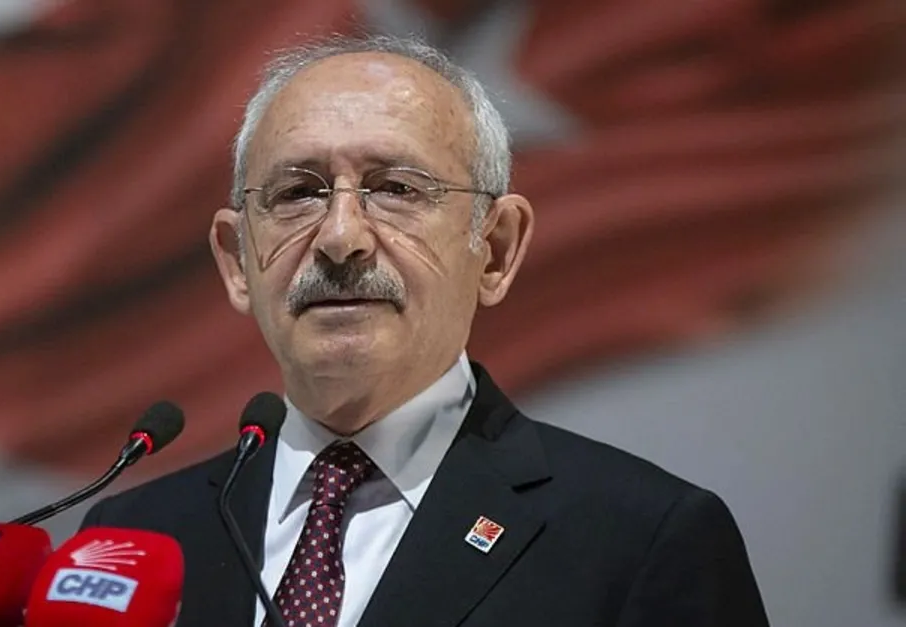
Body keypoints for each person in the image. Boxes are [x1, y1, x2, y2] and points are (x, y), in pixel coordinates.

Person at [80, 33, 769, 627]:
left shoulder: (641, 539)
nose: (341, 237)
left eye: (396, 189)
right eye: (297, 193)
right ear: (237, 261)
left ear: (495, 250)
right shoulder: (129, 540)